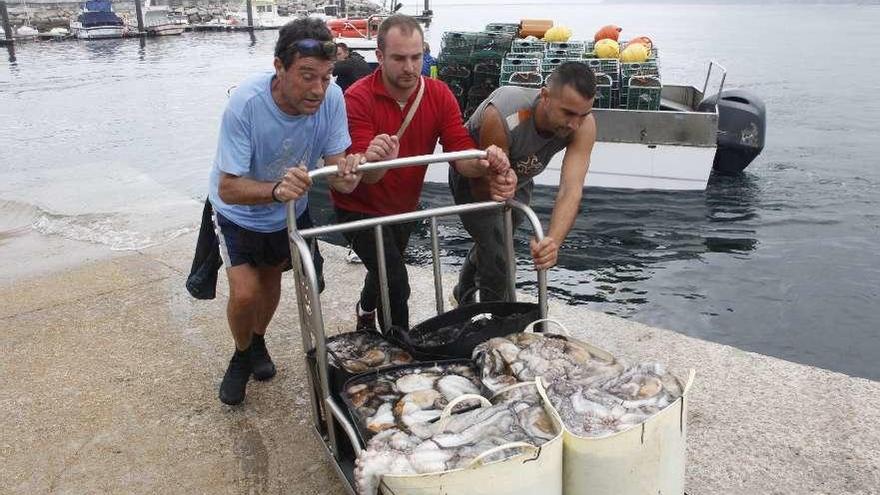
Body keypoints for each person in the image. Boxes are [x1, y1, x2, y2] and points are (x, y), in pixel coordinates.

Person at [208, 18, 364, 405]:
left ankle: (257, 341)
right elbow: (228, 186)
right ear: (279, 67)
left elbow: (342, 179)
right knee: (245, 294)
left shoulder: (332, 98)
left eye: (326, 77)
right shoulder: (246, 103)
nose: (318, 89)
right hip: (238, 210)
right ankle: (241, 355)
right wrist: (276, 190)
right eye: (307, 76)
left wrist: (358, 167)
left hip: (287, 211)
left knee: (272, 281)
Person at [331, 14, 516, 332]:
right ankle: (401, 349)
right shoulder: (357, 98)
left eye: (416, 57)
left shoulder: (439, 94)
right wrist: (377, 159)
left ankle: (364, 311)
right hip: (358, 210)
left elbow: (459, 154)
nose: (409, 67)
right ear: (379, 57)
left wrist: (486, 161)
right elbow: (365, 176)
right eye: (399, 58)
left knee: (384, 272)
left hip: (404, 207)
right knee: (396, 282)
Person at [449, 61, 597, 304]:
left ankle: (463, 291)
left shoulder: (583, 125)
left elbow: (571, 189)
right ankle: (494, 323)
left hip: (521, 179)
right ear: (545, 96)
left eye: (583, 115)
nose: (574, 124)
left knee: (497, 242)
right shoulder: (506, 114)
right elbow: (485, 187)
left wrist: (552, 242)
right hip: (475, 177)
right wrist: (501, 182)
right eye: (568, 113)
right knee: (499, 254)